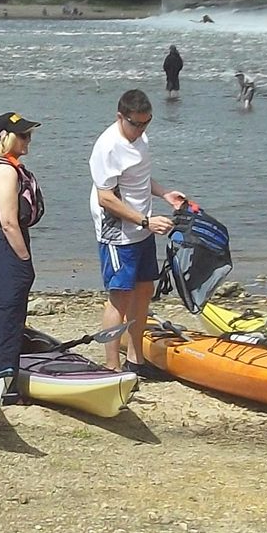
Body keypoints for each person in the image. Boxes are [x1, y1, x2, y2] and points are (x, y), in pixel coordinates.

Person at [91, 89, 186, 378]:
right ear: (121, 117)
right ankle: (111, 367)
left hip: (143, 226)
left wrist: (165, 193)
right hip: (118, 233)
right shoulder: (107, 147)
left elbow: (140, 178)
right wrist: (145, 222)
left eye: (147, 123)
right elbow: (105, 197)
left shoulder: (140, 137)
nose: (141, 129)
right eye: (136, 124)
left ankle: (136, 359)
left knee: (144, 290)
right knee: (119, 297)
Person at [0, 112, 46, 402]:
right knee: (7, 317)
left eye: (29, 134)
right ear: (5, 137)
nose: (29, 140)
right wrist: (24, 259)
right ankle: (4, 384)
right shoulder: (6, 172)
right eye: (23, 135)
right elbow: (8, 221)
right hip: (5, 246)